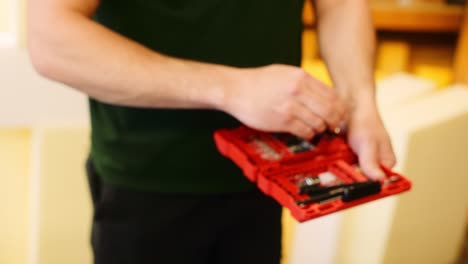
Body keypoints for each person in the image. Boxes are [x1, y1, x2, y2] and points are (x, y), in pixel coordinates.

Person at [27, 0, 396, 263]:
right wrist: (230, 89)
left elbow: (341, 5)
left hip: (265, 172)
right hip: (149, 181)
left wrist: (360, 102)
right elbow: (50, 37)